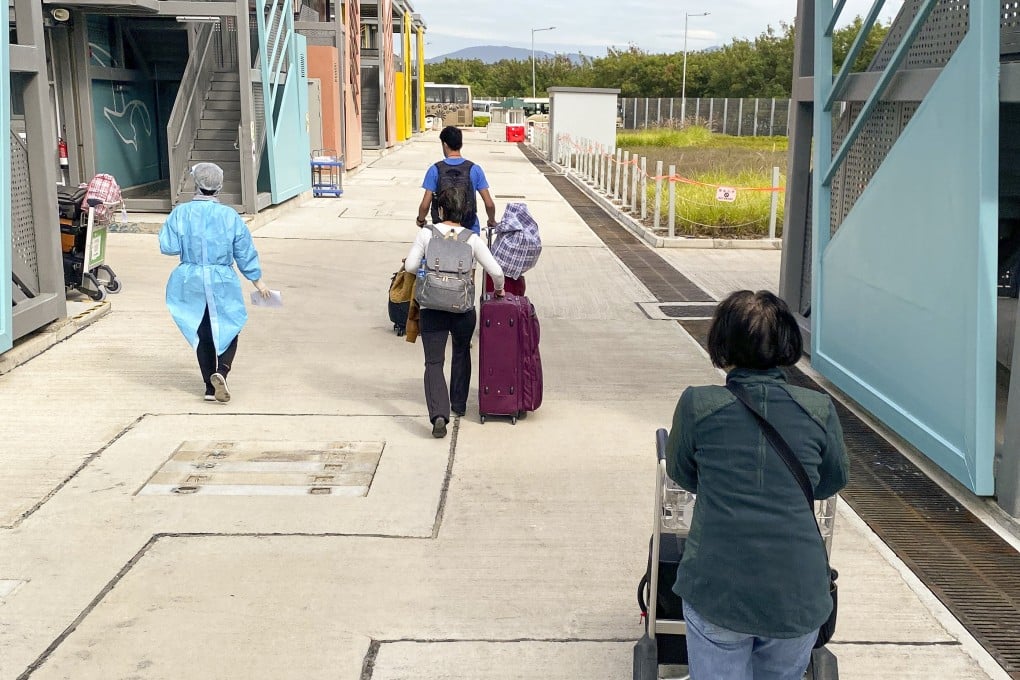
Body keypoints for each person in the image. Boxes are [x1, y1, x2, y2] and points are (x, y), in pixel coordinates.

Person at [665, 290, 849, 680]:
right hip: (797, 593)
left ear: (723, 345)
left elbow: (681, 472)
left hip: (718, 587)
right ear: (787, 344)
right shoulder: (818, 409)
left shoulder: (698, 405)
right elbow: (831, 480)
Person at [159, 163, 271, 403]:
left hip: (190, 279)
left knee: (202, 331)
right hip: (222, 278)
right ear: (219, 186)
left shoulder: (181, 213)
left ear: (195, 184)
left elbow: (168, 246)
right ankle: (222, 371)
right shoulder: (229, 216)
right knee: (231, 324)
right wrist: (257, 282)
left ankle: (209, 388)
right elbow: (244, 251)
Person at [405, 185, 505, 438]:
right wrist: (500, 291)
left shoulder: (427, 234)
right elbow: (496, 272)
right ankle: (458, 405)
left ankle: (439, 414)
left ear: (439, 209)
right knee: (461, 352)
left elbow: (411, 265)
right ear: (466, 211)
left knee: (434, 362)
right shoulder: (471, 239)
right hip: (462, 309)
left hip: (432, 308)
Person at [415, 126, 497, 235]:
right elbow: (489, 204)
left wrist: (421, 220)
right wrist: (491, 220)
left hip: (442, 232)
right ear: (461, 145)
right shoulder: (474, 169)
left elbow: (425, 205)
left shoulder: (435, 170)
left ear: (444, 145)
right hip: (469, 231)